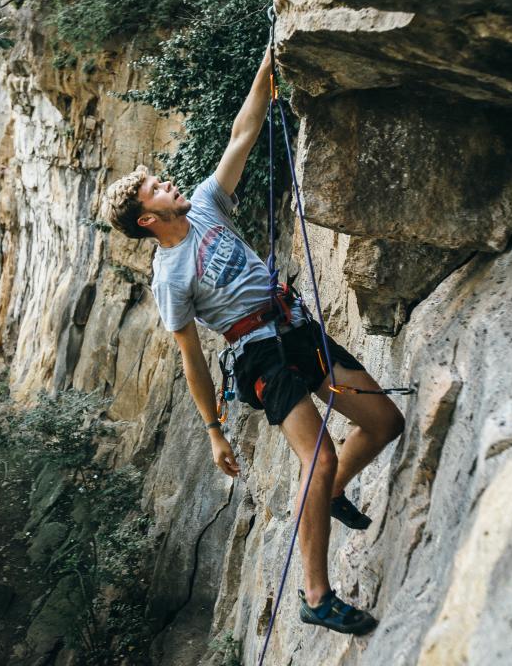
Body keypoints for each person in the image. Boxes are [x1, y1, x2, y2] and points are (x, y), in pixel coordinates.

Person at [102, 48, 404, 635]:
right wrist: (214, 431)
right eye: (155, 188)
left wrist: (268, 65)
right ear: (147, 219)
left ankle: (329, 495)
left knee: (384, 423)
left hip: (294, 327)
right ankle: (316, 598)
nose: (167, 182)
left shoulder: (208, 204)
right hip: (259, 356)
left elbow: (244, 130)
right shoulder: (171, 278)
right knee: (318, 458)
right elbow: (191, 357)